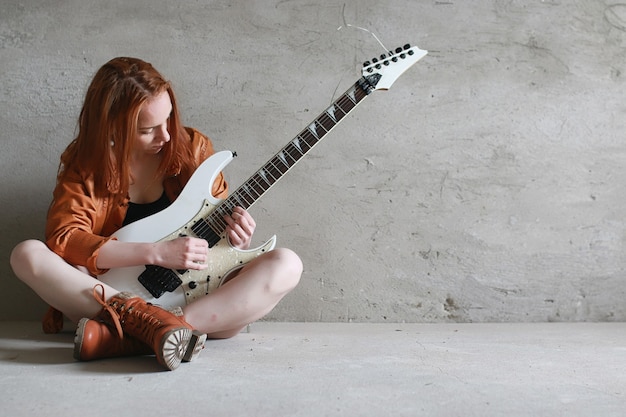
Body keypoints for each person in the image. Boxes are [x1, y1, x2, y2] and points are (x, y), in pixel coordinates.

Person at [9, 57, 303, 371]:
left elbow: (218, 250)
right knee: (26, 254)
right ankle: (149, 326)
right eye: (148, 130)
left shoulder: (193, 149)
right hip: (113, 299)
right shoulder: (87, 166)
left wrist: (235, 237)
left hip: (200, 301)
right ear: (112, 128)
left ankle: (144, 333)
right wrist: (157, 253)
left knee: (288, 263)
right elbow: (65, 238)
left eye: (169, 120)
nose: (165, 136)